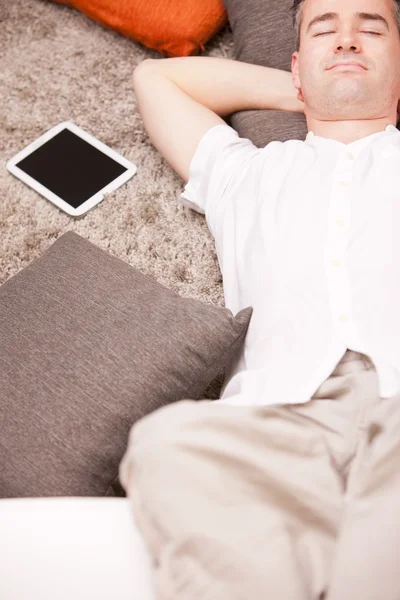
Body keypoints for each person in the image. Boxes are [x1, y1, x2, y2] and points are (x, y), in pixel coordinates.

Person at [119, 0, 400, 598]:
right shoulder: (246, 175)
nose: (348, 40)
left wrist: (346, 79)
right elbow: (157, 78)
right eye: (326, 29)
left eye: (371, 29)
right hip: (275, 421)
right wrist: (314, 89)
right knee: (167, 444)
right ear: (297, 65)